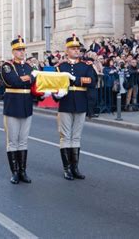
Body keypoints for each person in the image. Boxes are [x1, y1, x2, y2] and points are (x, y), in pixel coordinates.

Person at [53, 34, 95, 180]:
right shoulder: (60, 67)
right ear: (67, 50)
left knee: (76, 137)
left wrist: (75, 79)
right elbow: (55, 86)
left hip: (80, 102)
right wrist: (56, 95)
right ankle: (67, 169)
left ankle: (75, 167)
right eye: (73, 48)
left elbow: (92, 81)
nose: (77, 51)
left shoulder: (86, 66)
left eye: (78, 48)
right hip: (65, 103)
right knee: (65, 137)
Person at [0, 36, 36, 184]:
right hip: (13, 105)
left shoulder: (28, 67)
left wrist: (26, 79)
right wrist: (28, 78)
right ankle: (14, 172)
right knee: (12, 141)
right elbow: (12, 81)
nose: (22, 52)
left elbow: (35, 82)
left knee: (23, 141)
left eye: (23, 50)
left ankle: (23, 171)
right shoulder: (7, 66)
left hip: (26, 105)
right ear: (13, 51)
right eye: (19, 50)